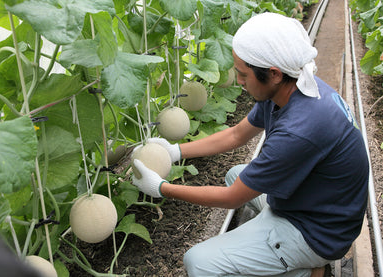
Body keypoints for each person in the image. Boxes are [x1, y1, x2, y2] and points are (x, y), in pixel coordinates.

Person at [132, 12, 369, 277]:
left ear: (274, 74)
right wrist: (174, 151)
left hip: (318, 232)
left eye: (243, 74)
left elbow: (233, 198)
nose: (239, 81)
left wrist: (162, 188)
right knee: (236, 174)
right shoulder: (291, 87)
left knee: (198, 262)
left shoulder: (298, 131)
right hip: (317, 201)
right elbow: (236, 135)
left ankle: (307, 271)